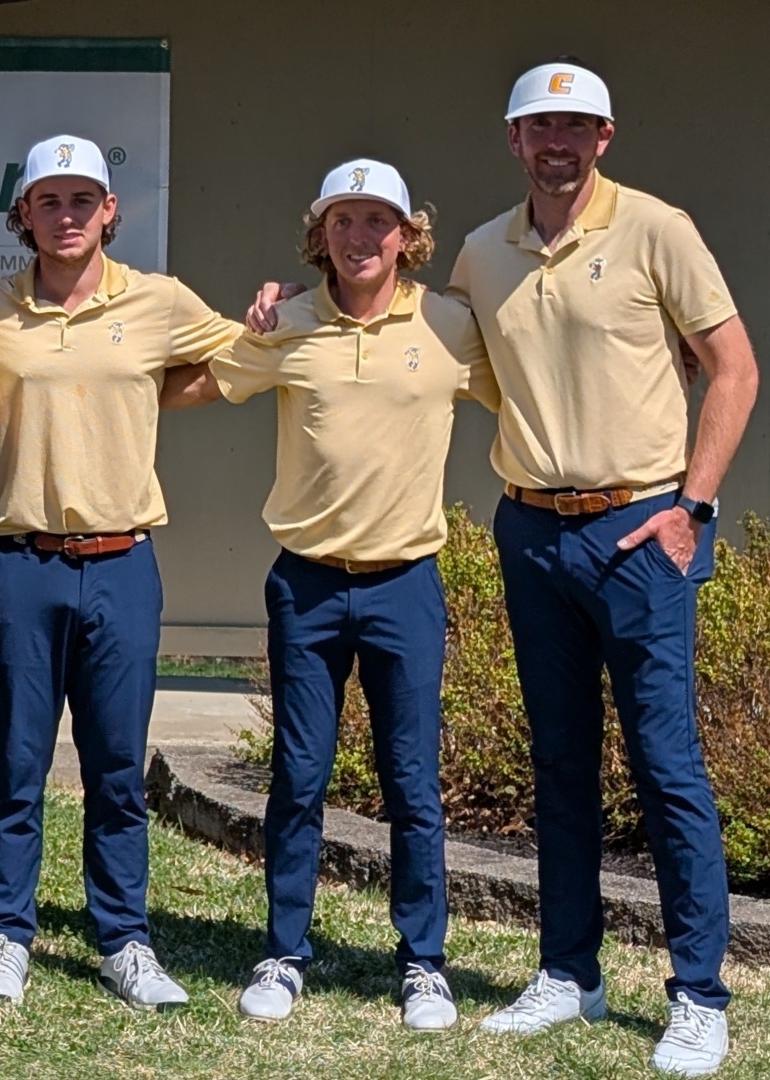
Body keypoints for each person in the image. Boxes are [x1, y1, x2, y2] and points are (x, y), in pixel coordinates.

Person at [249, 61, 758, 1075]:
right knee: (560, 767)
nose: (558, 141)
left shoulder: (660, 228)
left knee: (667, 770)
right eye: (539, 126)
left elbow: (734, 365)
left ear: (605, 136)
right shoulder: (484, 254)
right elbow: (403, 335)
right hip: (532, 531)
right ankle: (569, 971)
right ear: (514, 140)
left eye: (576, 125)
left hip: (641, 528)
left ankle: (698, 992)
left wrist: (692, 507)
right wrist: (280, 307)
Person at [174, 160, 498, 1029]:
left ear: (408, 235)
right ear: (320, 235)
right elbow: (202, 382)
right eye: (343, 222)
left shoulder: (449, 324)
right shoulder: (287, 322)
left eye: (378, 222)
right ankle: (283, 953)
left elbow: (530, 393)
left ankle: (423, 960)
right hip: (307, 585)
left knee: (412, 784)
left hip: (406, 587)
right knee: (299, 778)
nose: (361, 238)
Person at [0, 135, 235, 1011]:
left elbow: (233, 359)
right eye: (49, 200)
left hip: (122, 564)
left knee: (116, 767)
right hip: (24, 565)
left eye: (84, 199)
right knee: (17, 761)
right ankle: (6, 933)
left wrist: (159, 387)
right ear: (25, 214)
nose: (68, 215)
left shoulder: (155, 301)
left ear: (111, 210)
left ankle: (123, 938)